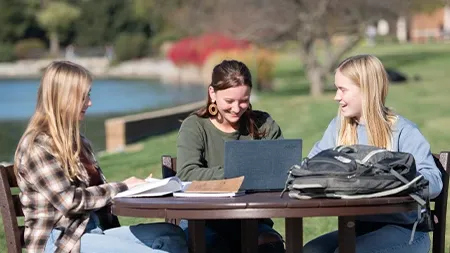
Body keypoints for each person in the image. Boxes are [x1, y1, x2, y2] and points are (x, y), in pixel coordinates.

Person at [14, 61, 188, 253]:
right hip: (60, 241)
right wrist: (123, 186)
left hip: (91, 231)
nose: (89, 103)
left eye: (88, 95)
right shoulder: (37, 146)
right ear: (62, 98)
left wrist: (140, 189)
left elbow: (95, 192)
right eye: (82, 97)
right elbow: (69, 202)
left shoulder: (79, 142)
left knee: (171, 235)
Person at [303, 54, 442, 253]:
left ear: (366, 90)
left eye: (342, 89)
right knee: (311, 250)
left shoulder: (402, 130)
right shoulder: (338, 128)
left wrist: (396, 180)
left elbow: (434, 182)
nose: (336, 96)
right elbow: (311, 165)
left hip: (407, 232)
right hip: (358, 229)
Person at [176, 59, 285, 253]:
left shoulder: (264, 124)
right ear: (212, 93)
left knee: (270, 245)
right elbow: (187, 173)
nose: (237, 108)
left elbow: (282, 168)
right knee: (216, 247)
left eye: (244, 100)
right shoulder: (195, 127)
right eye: (229, 101)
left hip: (253, 218)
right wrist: (238, 173)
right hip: (204, 220)